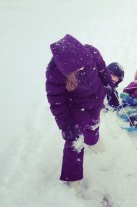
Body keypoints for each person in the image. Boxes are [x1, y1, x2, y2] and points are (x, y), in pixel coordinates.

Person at [45, 34, 114, 185]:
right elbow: (57, 103)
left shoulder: (92, 52)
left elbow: (103, 72)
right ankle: (72, 178)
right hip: (75, 109)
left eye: (84, 64)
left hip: (96, 100)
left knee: (94, 123)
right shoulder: (54, 74)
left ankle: (93, 142)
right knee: (74, 141)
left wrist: (110, 88)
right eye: (77, 69)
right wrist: (65, 125)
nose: (82, 68)